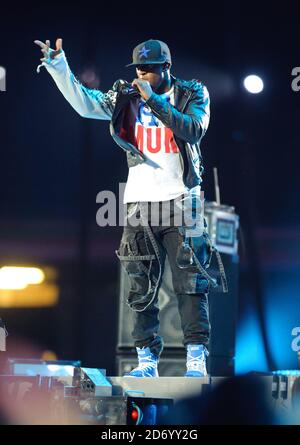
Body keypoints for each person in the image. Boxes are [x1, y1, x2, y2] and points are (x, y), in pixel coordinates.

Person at [34, 37, 225, 377]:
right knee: (140, 286)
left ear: (166, 68)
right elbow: (85, 103)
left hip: (184, 201)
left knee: (191, 284)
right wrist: (58, 65)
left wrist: (156, 102)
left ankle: (196, 360)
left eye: (149, 70)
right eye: (138, 68)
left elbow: (194, 130)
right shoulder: (126, 96)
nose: (141, 74)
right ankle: (146, 363)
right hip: (139, 202)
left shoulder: (193, 93)